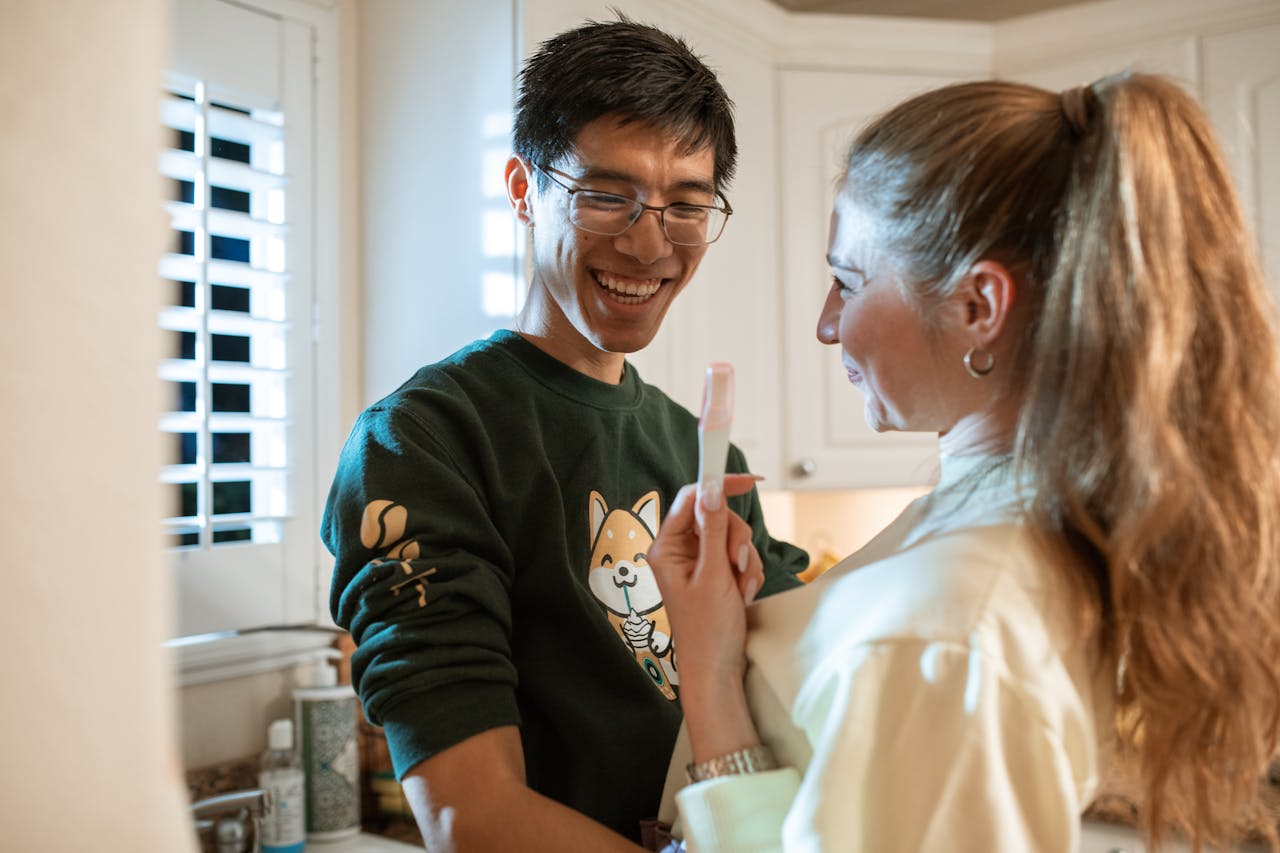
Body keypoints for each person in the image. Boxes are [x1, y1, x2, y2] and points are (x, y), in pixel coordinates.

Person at [648, 71, 1280, 852]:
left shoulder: (950, 623)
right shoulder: (1015, 527)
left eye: (848, 280)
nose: (825, 323)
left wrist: (709, 676)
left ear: (979, 308)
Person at [320, 16, 808, 851]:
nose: (650, 243)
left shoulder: (699, 451)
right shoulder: (422, 442)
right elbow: (471, 816)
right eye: (606, 195)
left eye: (687, 206)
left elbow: (801, 699)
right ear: (522, 188)